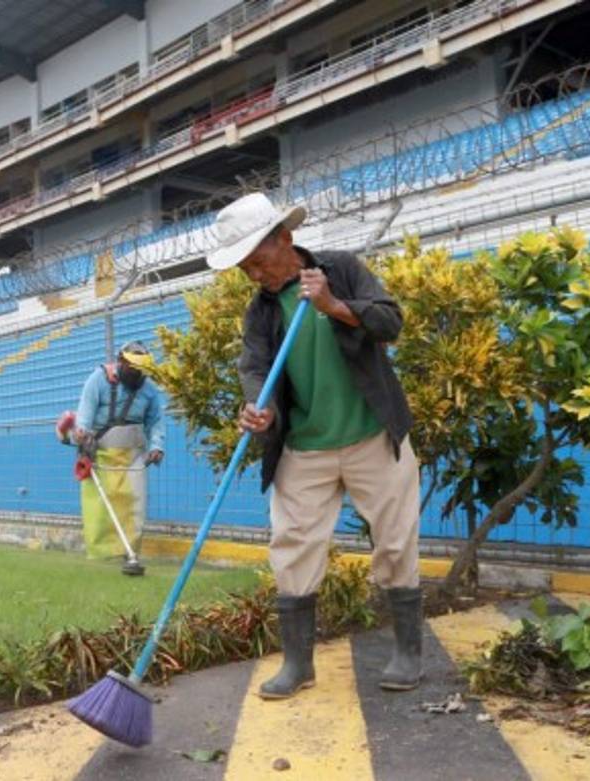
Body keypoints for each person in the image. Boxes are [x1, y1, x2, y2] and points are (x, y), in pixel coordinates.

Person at [207, 192, 423, 697]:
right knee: (293, 550)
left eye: (258, 261)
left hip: (373, 435)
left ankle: (408, 653)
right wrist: (261, 409)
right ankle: (299, 664)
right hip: (304, 449)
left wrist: (333, 305)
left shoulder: (341, 269)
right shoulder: (260, 312)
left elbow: (390, 321)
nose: (255, 275)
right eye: (244, 269)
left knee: (394, 541)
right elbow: (255, 367)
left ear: (286, 237)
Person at [71, 341, 165, 574]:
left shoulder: (150, 390)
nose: (137, 374)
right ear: (120, 362)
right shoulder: (98, 380)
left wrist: (156, 446)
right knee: (101, 506)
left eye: (142, 370)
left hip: (134, 455)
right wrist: (82, 433)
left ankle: (130, 553)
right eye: (133, 368)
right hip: (101, 453)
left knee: (134, 505)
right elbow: (85, 413)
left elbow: (156, 421)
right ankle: (103, 554)